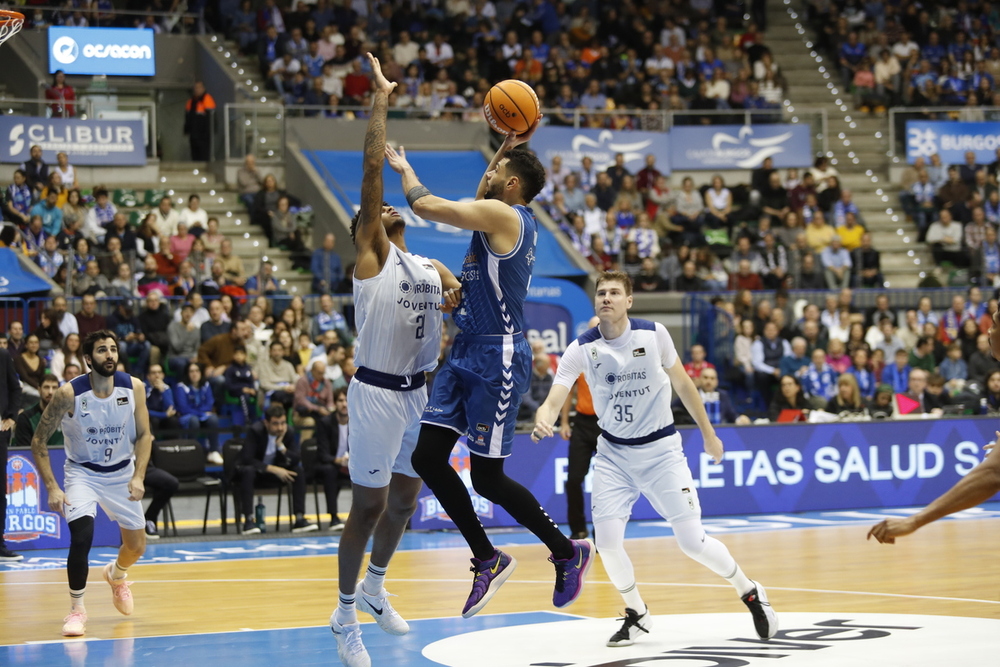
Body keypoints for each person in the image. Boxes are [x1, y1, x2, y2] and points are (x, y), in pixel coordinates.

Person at [387, 98, 595, 620]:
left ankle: (567, 551)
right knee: (428, 457)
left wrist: (406, 169)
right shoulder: (499, 210)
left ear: (511, 188)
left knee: (487, 479)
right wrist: (502, 149)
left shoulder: (504, 217)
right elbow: (485, 190)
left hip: (498, 355)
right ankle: (487, 557)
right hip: (465, 352)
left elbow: (428, 207)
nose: (491, 174)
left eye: (499, 169)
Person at [531, 271, 777, 648]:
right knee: (608, 543)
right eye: (601, 293)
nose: (606, 298)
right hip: (613, 454)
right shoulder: (581, 347)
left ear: (629, 300)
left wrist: (709, 435)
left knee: (692, 542)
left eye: (615, 292)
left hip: (662, 452)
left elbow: (683, 383)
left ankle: (750, 590)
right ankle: (637, 613)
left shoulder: (654, 334)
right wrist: (545, 417)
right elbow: (556, 394)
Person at [329, 53, 463, 667]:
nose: (384, 209)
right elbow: (369, 179)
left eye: (388, 209)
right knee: (371, 505)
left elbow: (456, 309)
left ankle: (378, 587)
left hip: (421, 392)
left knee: (408, 500)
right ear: (367, 229)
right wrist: (380, 100)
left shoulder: (428, 267)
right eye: (374, 212)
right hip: (378, 392)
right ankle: (344, 614)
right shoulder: (373, 260)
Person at [28, 330, 152, 636]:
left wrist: (138, 476)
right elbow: (39, 442)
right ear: (87, 359)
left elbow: (145, 435)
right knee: (82, 536)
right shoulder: (68, 394)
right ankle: (77, 610)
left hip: (122, 472)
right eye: (101, 350)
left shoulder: (133, 387)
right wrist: (53, 487)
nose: (109, 354)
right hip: (83, 472)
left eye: (112, 349)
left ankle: (116, 575)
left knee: (136, 546)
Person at [238, 404, 318, 534]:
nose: (280, 428)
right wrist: (273, 469)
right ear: (266, 422)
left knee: (298, 471)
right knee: (248, 471)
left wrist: (282, 446)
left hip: (276, 476)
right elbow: (247, 459)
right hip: (256, 474)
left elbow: (296, 459)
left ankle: (299, 519)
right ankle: (248, 521)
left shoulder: (288, 432)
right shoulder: (255, 431)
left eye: (282, 423)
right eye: (275, 424)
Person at [314, 387, 352, 531]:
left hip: (350, 464)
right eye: (341, 400)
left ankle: (364, 517)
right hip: (328, 464)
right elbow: (322, 454)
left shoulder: (357, 421)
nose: (344, 404)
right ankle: (334, 518)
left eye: (347, 401)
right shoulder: (325, 422)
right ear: (335, 403)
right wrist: (338, 461)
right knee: (330, 471)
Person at [174, 362, 222, 464]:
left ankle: (213, 451)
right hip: (186, 416)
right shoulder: (181, 387)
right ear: (187, 373)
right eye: (191, 371)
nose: (194, 374)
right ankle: (193, 451)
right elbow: (183, 408)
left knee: (213, 418)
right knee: (194, 420)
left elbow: (209, 404)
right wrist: (201, 413)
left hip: (201, 415)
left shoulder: (206, 384)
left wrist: (201, 413)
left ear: (201, 373)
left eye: (197, 371)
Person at [0, 347, 23, 561]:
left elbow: (16, 389)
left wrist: (12, 417)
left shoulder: (3, 355)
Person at [184, 82, 217, 161]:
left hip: (204, 133)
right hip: (193, 133)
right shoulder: (191, 102)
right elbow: (188, 117)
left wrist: (211, 130)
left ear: (203, 89)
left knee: (204, 153)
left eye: (199, 87)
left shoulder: (207, 99)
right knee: (195, 153)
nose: (197, 90)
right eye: (195, 88)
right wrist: (186, 129)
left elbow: (211, 117)